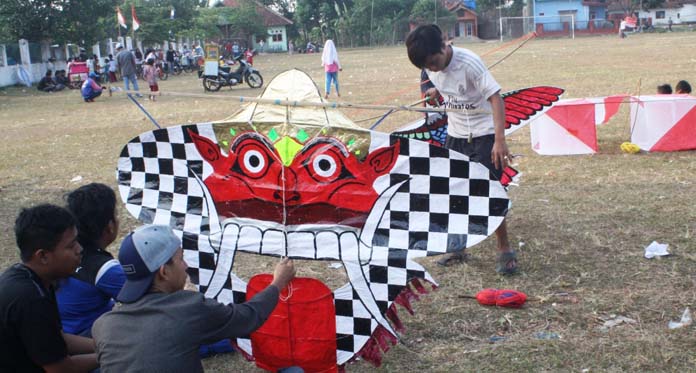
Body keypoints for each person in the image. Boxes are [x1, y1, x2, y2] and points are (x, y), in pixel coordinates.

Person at [92, 225, 296, 372]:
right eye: (180, 259)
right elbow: (247, 317)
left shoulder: (103, 326)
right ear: (163, 271)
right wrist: (277, 283)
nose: (186, 266)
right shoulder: (187, 308)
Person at [406, 24, 517, 274]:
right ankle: (458, 245)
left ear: (444, 45)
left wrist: (500, 140)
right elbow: (446, 85)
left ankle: (505, 249)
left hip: (484, 134)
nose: (433, 68)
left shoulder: (470, 63)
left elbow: (496, 98)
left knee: (487, 190)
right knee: (453, 191)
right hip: (456, 135)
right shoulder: (429, 68)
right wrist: (436, 91)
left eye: (434, 61)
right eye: (427, 65)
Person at [0, 204, 99, 372]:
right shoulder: (31, 300)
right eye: (71, 245)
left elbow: (57, 340)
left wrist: (105, 346)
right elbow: (61, 369)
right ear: (43, 256)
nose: (80, 249)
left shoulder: (31, 277)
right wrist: (114, 354)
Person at [56, 183, 124, 337]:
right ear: (110, 226)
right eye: (116, 214)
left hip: (59, 334)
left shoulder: (61, 256)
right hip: (85, 343)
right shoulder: (104, 269)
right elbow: (151, 299)